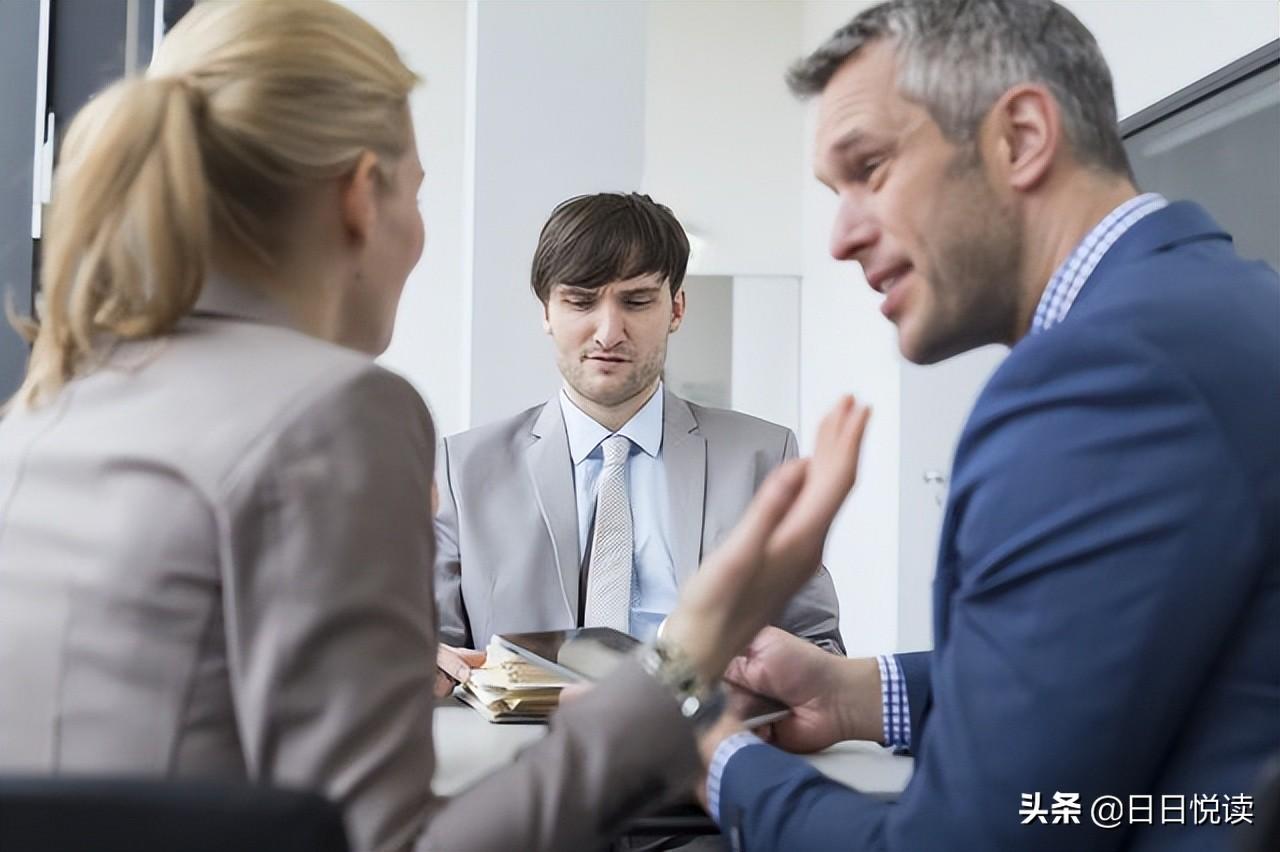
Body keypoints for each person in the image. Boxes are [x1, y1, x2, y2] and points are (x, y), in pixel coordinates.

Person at [0, 3, 872, 851]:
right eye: (415, 194)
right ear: (358, 198)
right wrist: (688, 652)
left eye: (635, 300)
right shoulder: (336, 414)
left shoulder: (46, 407)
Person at [698, 1, 1280, 850]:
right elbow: (1151, 670)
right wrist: (860, 693)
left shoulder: (1099, 375)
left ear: (1019, 138)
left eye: (871, 169)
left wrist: (713, 758)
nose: (840, 237)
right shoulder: (1214, 308)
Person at [433, 192, 844, 687]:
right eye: (581, 301)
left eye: (637, 301)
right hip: (522, 746)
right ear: (547, 311)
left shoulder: (762, 457)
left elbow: (820, 651)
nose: (608, 332)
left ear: (676, 309)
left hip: (702, 744)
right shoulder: (463, 468)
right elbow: (433, 649)